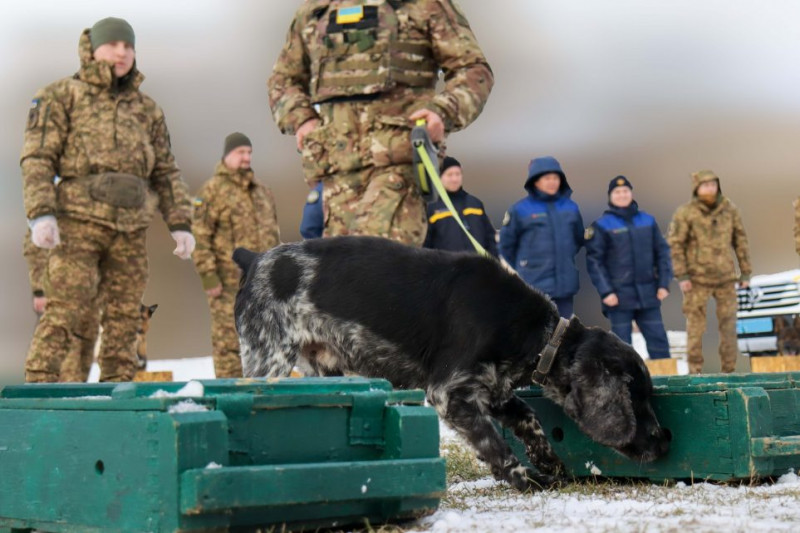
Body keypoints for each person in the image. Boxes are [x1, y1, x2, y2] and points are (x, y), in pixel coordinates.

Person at [21, 17, 195, 383]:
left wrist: (180, 224)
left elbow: (164, 170)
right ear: (92, 49)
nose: (121, 52)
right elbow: (37, 158)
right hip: (78, 223)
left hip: (130, 229)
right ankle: (39, 387)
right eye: (113, 45)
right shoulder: (60, 96)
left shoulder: (147, 109)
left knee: (124, 316)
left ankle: (118, 391)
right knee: (66, 309)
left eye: (128, 46)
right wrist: (41, 215)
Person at [268, 1, 493, 246]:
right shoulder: (316, 11)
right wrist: (302, 119)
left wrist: (443, 111)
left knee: (376, 263)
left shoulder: (423, 5)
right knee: (342, 274)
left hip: (398, 165)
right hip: (336, 171)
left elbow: (473, 70)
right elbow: (283, 79)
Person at [191, 132, 281, 378]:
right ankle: (230, 397)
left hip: (263, 285)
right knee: (228, 344)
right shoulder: (211, 192)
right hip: (228, 284)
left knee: (266, 340)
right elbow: (200, 237)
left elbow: (274, 235)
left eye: (249, 153)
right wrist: (209, 276)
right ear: (227, 155)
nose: (246, 158)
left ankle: (264, 397)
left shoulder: (263, 192)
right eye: (241, 152)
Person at [667, 169, 751, 374]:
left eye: (713, 185)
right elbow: (675, 245)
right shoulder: (685, 213)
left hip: (725, 277)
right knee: (695, 326)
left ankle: (729, 370)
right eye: (705, 185)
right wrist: (682, 275)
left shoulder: (729, 210)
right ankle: (695, 371)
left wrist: (745, 272)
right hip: (697, 279)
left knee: (729, 325)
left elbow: (740, 241)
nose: (709, 189)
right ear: (697, 188)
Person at [585, 176, 672, 358]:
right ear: (610, 197)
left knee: (659, 342)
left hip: (648, 293)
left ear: (631, 193)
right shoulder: (602, 225)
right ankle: (624, 383)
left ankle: (666, 380)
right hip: (618, 297)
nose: (622, 195)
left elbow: (662, 254)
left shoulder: (647, 221)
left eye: (625, 191)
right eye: (617, 192)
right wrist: (606, 292)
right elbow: (595, 262)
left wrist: (664, 284)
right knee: (621, 347)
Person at [499, 157, 584, 318]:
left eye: (555, 178)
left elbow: (578, 239)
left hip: (565, 286)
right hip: (534, 285)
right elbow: (506, 245)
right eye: (547, 178)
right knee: (537, 331)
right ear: (535, 181)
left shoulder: (570, 208)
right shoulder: (519, 210)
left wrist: (564, 259)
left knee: (565, 331)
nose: (552, 182)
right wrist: (525, 265)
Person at [423, 156, 497, 256]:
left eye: (458, 174)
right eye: (449, 175)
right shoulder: (431, 207)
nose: (454, 179)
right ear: (439, 177)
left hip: (478, 267)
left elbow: (490, 237)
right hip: (448, 268)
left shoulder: (475, 204)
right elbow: (425, 245)